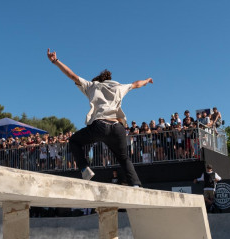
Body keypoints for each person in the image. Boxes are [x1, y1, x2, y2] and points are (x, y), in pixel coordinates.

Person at [47, 48, 153, 187]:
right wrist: (146, 80)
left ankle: (85, 169)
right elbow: (136, 84)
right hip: (118, 128)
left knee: (74, 141)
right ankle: (136, 184)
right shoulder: (119, 87)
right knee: (123, 158)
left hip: (100, 127)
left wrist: (56, 62)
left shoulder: (92, 86)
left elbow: (72, 75)